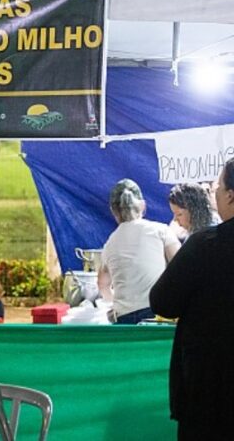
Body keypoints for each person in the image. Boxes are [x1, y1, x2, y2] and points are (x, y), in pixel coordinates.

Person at [150, 159, 234, 440]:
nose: (216, 194)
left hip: (209, 390)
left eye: (218, 188)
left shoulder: (205, 244)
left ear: (231, 195)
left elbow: (162, 302)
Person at [97, 179, 181, 324]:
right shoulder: (161, 231)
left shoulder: (110, 243)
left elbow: (102, 284)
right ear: (142, 206)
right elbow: (181, 267)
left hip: (124, 318)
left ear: (113, 211)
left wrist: (114, 304)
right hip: (157, 314)